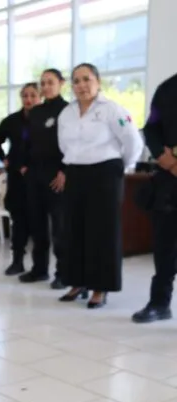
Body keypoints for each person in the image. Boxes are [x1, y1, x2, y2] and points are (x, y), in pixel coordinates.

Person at [57, 63, 143, 308]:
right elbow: (64, 146)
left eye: (86, 79)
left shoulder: (111, 109)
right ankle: (77, 282)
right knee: (74, 230)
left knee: (102, 233)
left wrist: (120, 166)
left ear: (98, 82)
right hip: (75, 173)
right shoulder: (67, 113)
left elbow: (132, 141)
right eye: (76, 81)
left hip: (105, 173)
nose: (81, 85)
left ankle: (100, 288)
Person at [132, 72, 177, 323]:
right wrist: (166, 159)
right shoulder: (167, 88)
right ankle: (159, 303)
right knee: (164, 246)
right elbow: (151, 127)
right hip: (169, 178)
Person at [20, 68, 69, 288]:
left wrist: (64, 170)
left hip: (56, 175)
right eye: (43, 83)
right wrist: (23, 165)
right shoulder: (36, 112)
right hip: (35, 175)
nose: (46, 86)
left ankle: (63, 273)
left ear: (61, 83)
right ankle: (39, 269)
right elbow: (26, 140)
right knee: (37, 225)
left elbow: (72, 145)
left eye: (50, 82)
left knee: (59, 227)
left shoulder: (68, 110)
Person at [0, 82, 40, 275]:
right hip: (16, 177)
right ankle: (17, 261)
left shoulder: (45, 120)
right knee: (18, 220)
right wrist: (4, 159)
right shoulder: (12, 120)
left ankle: (39, 266)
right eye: (25, 96)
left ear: (39, 97)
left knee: (37, 221)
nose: (28, 99)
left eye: (32, 95)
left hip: (38, 176)